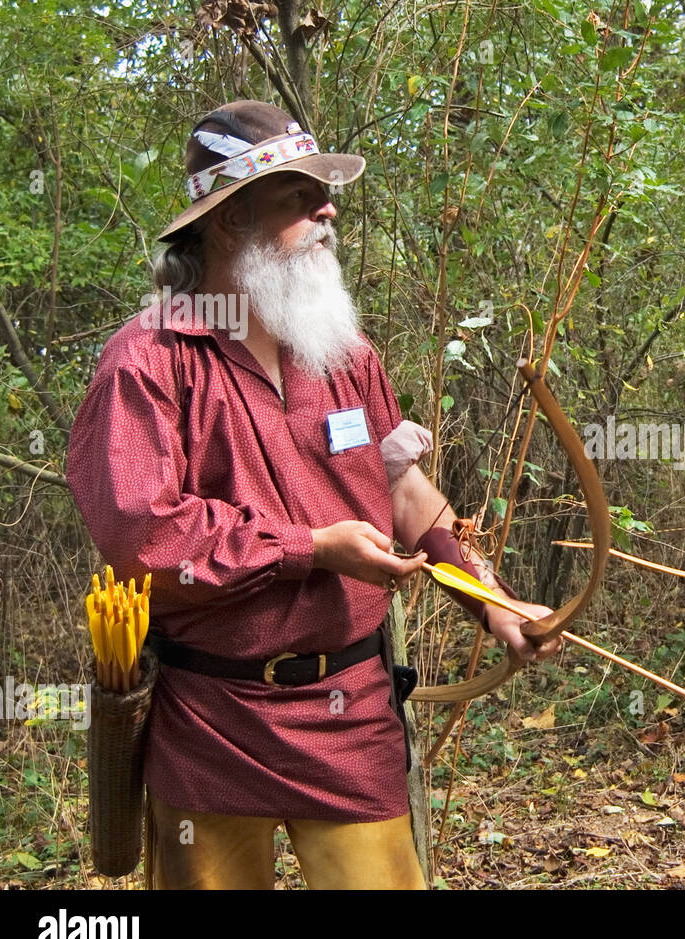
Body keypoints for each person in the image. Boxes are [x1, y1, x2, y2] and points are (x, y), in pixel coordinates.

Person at [67, 100, 560, 888]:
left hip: (351, 711)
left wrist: (490, 599)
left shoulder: (340, 348)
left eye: (323, 192)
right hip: (212, 721)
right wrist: (309, 546)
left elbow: (400, 486)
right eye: (298, 194)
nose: (327, 208)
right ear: (229, 221)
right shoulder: (145, 361)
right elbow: (142, 537)